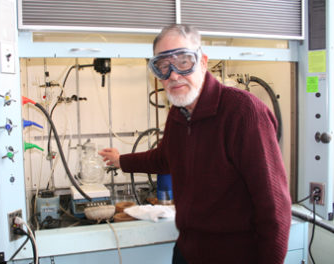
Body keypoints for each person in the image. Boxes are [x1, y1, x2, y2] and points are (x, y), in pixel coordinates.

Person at [99, 24, 292, 264]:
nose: (173, 75)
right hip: (188, 252)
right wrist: (121, 161)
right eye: (163, 66)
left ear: (203, 61)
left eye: (183, 61)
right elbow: (164, 158)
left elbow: (274, 208)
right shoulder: (178, 114)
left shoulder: (243, 112)